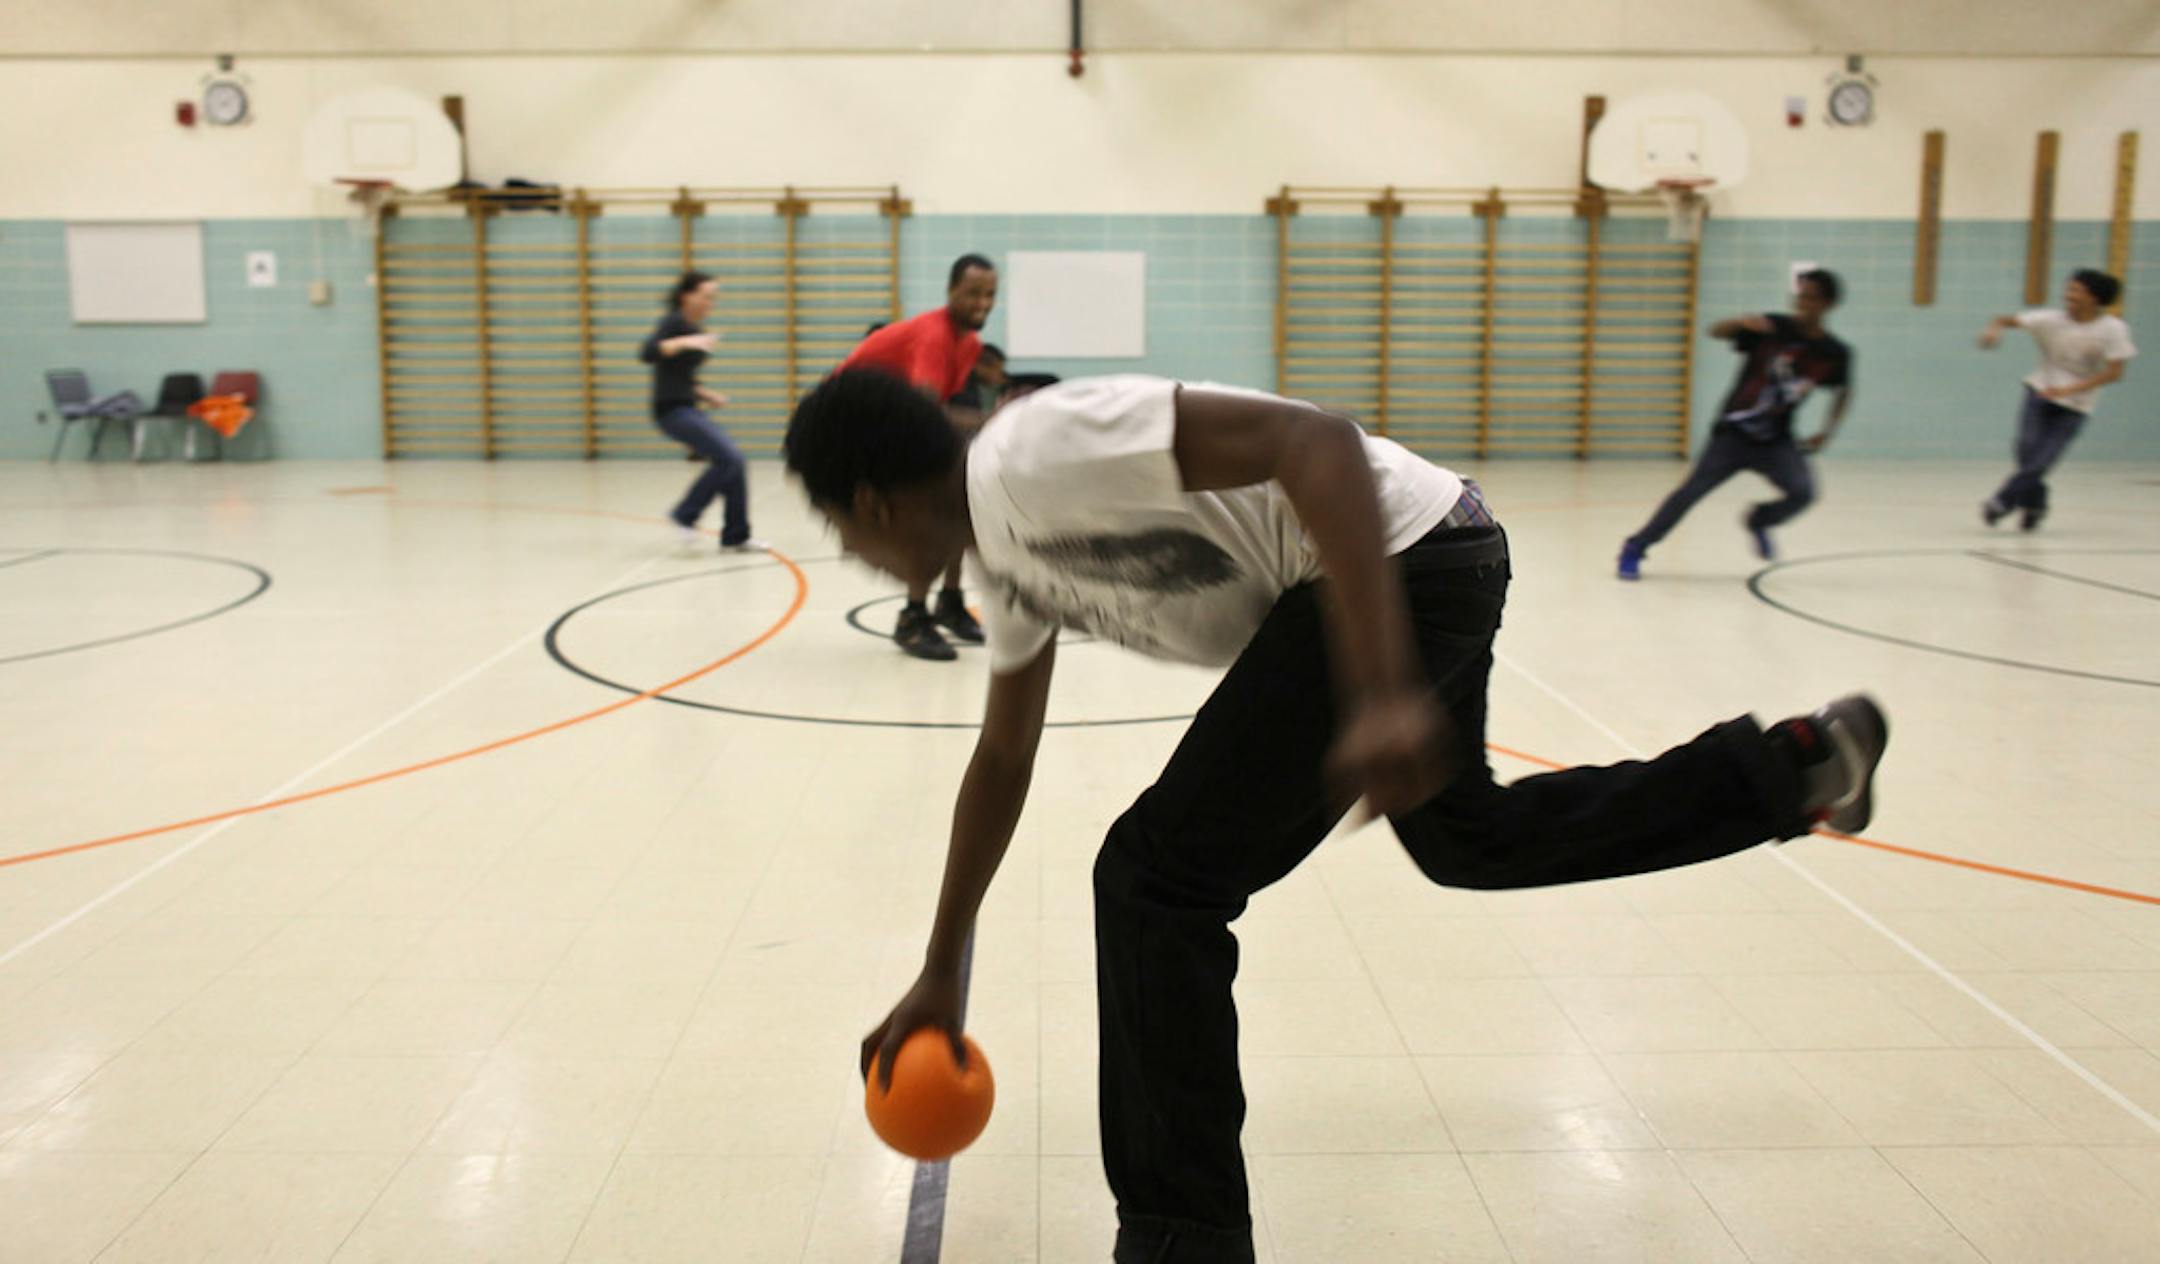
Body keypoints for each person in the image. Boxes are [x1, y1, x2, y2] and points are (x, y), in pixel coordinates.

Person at [784, 370, 1889, 1264]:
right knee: (1471, 840)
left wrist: (1376, 685)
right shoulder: (1011, 566)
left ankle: (1183, 1239)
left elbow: (1313, 443)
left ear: (871, 502)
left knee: (1154, 879)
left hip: (1402, 557)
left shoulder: (1035, 450)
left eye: (842, 533)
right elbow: (1003, 758)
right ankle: (1795, 770)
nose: (856, 556)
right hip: (1433, 555)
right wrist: (941, 964)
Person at [1617, 269, 1853, 579]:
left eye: (1810, 298)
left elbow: (1843, 390)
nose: (1801, 303)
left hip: (1776, 441)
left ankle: (1760, 520)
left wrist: (1827, 431)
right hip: (1733, 436)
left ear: (1828, 304)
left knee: (1803, 492)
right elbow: (1714, 331)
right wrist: (1738, 323)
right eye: (1799, 296)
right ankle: (1636, 546)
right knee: (1688, 494)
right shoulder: (1773, 328)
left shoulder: (1834, 353)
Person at [840, 254, 1000, 660]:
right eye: (972, 294)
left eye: (989, 294)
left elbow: (935, 413)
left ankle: (948, 601)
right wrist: (991, 418)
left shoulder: (971, 344)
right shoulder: (934, 335)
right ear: (950, 293)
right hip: (841, 425)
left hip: (887, 420)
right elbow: (925, 412)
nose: (982, 302)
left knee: (964, 491)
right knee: (931, 507)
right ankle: (913, 617)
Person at [1976, 268, 2136, 531]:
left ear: (2094, 298)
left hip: (2076, 405)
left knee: (2042, 460)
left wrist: (2070, 389)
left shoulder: (2113, 329)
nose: (2068, 294)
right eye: (2069, 288)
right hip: (2039, 391)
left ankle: (2001, 502)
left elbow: (2114, 373)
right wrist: (1994, 331)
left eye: (2076, 290)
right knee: (2026, 450)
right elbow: (2005, 320)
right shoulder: (2050, 319)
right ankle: (2036, 504)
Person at [641, 272, 765, 552]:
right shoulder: (674, 322)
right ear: (687, 296)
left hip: (687, 406)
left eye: (713, 297)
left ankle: (736, 535)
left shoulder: (694, 328)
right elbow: (647, 352)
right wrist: (685, 342)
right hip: (671, 410)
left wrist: (706, 393)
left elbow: (679, 376)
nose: (711, 301)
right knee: (730, 459)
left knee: (734, 462)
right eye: (706, 295)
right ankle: (686, 514)